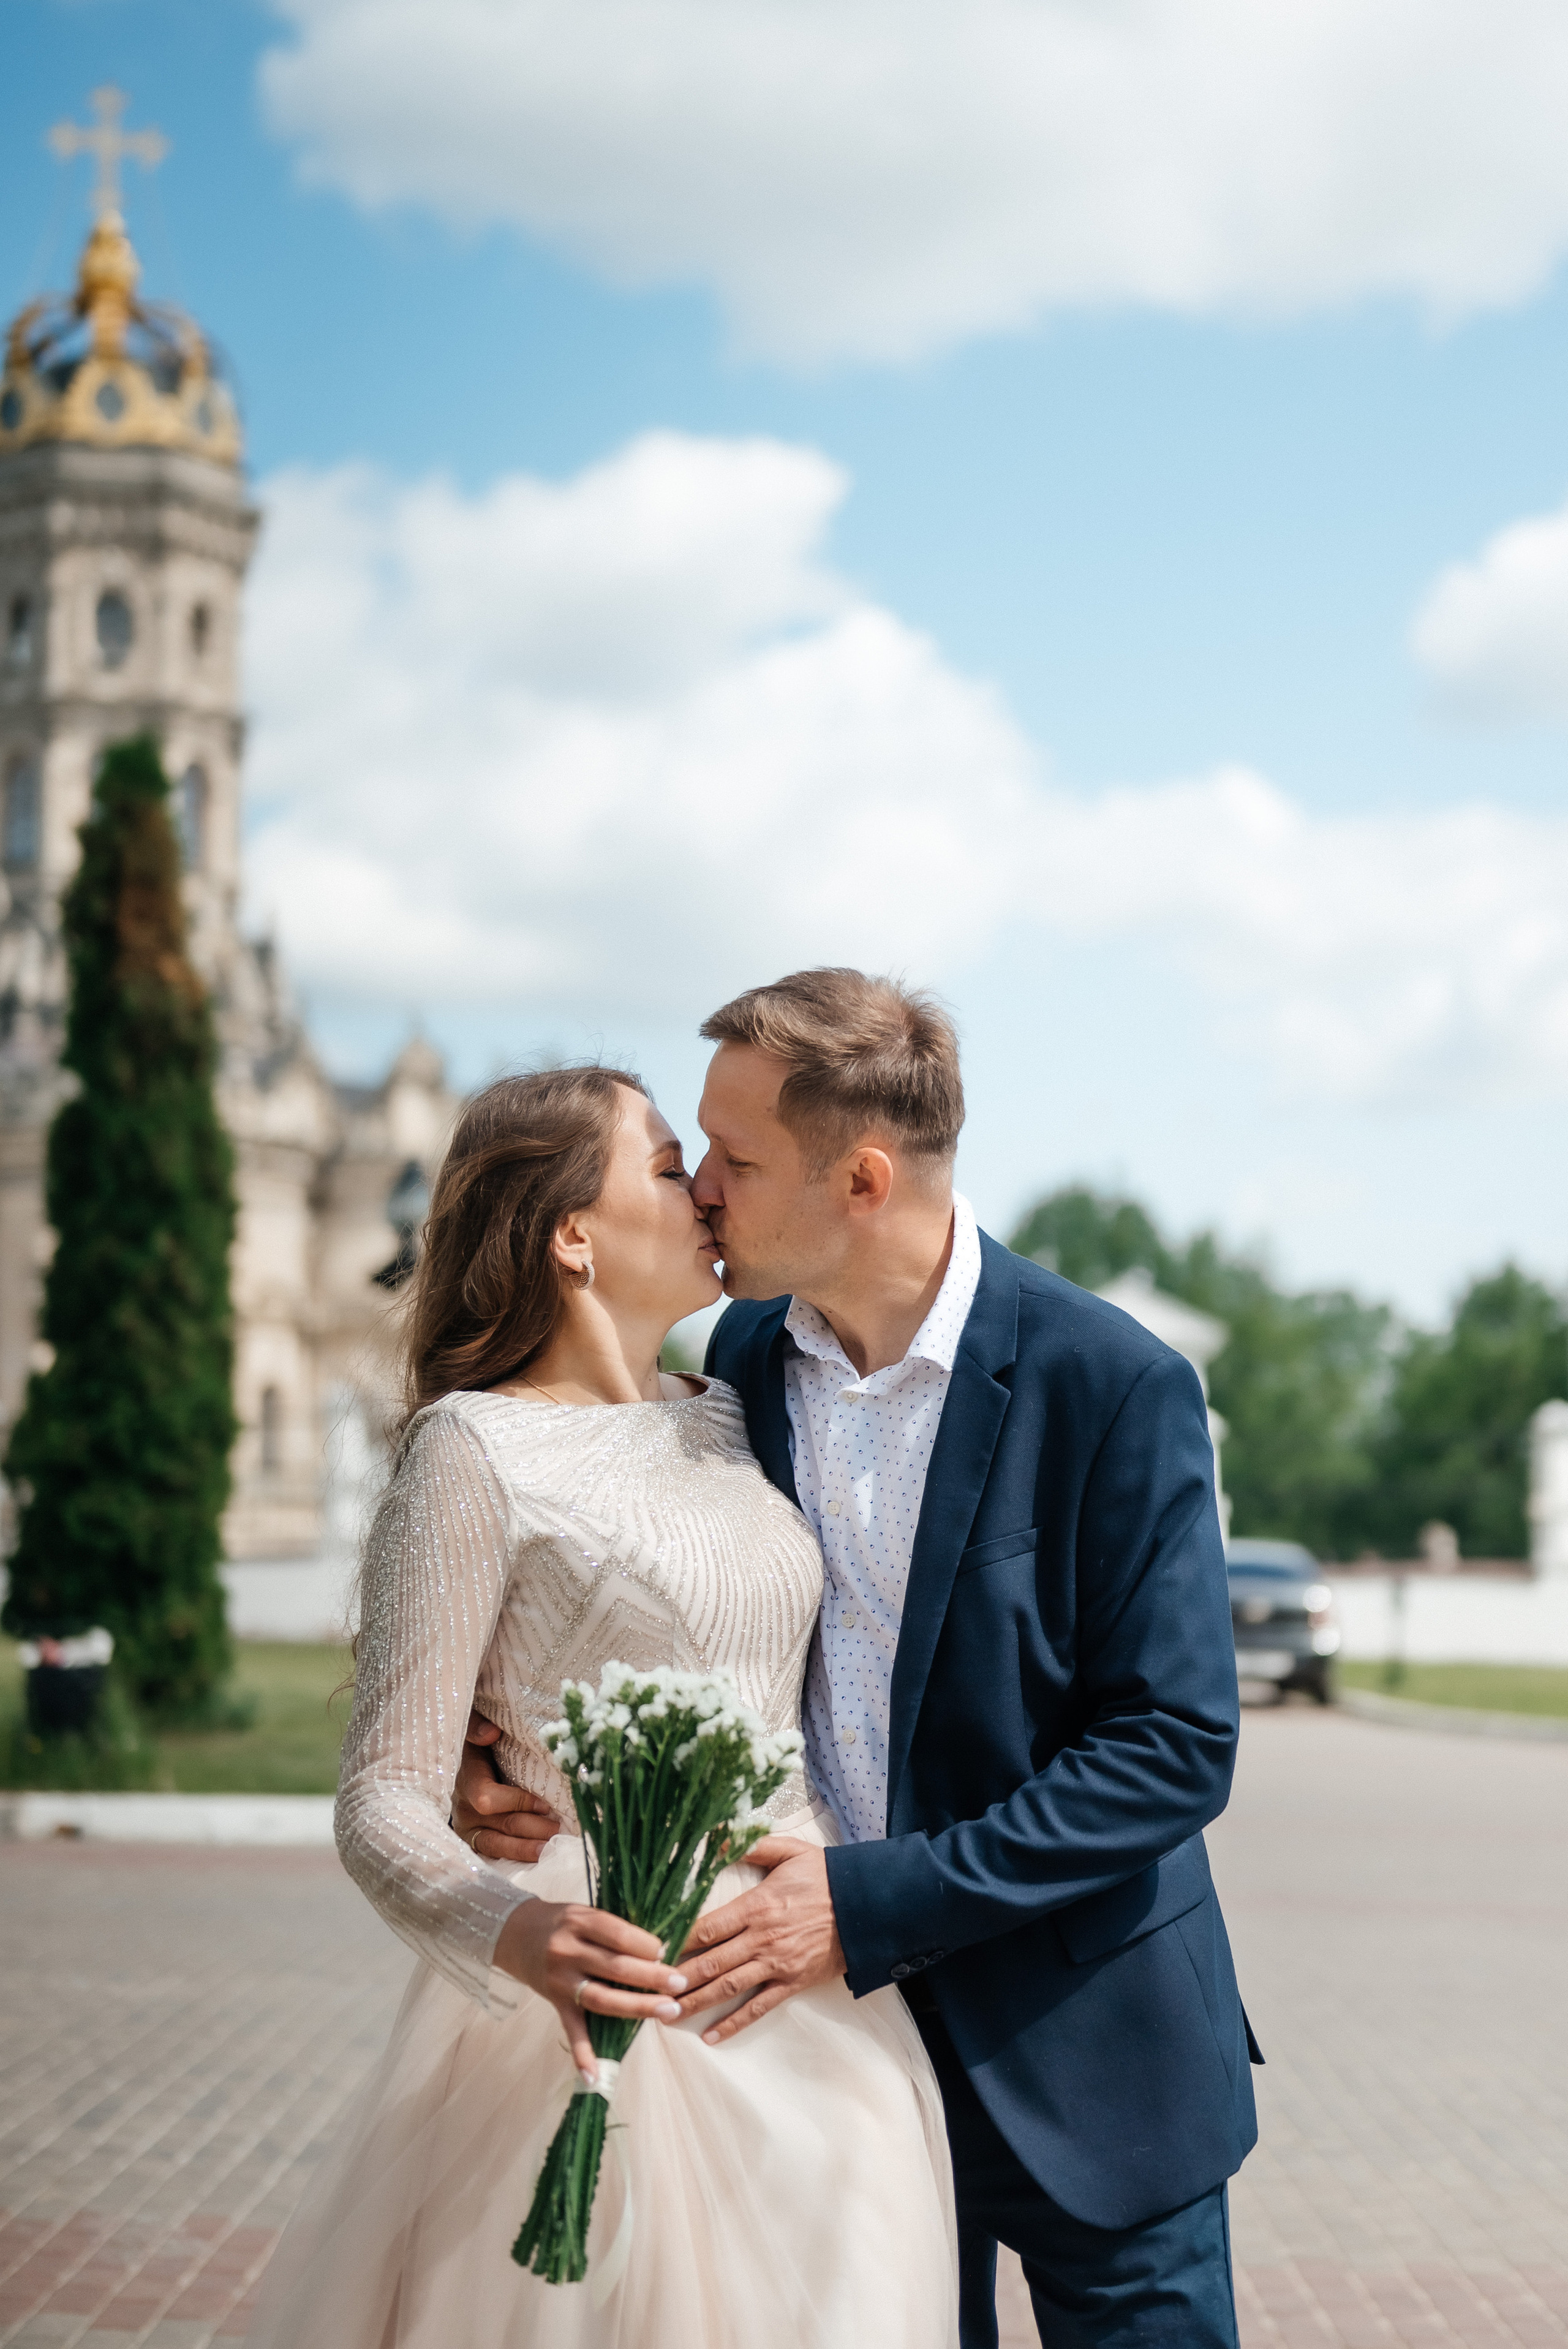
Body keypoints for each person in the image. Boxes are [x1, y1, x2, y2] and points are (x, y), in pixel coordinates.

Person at [457, 969, 1260, 2349]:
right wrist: (503, 1744)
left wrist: (867, 1902)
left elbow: (1169, 1750)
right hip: (820, 2059)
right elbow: (643, 1585)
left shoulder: (1112, 1383)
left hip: (1091, 2046)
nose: (699, 1186)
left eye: (735, 1156)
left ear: (862, 1181)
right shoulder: (735, 1369)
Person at [249, 1064, 959, 2349]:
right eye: (663, 1163)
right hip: (597, 1976)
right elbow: (381, 1801)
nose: (701, 1189)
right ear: (570, 1234)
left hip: (807, 1974)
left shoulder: (729, 1412)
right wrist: (517, 1936)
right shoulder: (471, 1450)